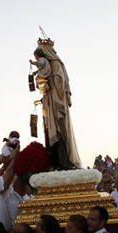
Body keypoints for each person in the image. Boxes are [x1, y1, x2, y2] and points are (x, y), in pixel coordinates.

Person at [32, 37, 81, 169]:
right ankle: (53, 162)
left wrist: (48, 80)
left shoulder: (55, 63)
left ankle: (63, 162)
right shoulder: (47, 65)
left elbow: (60, 82)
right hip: (48, 102)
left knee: (58, 130)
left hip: (56, 101)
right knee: (48, 130)